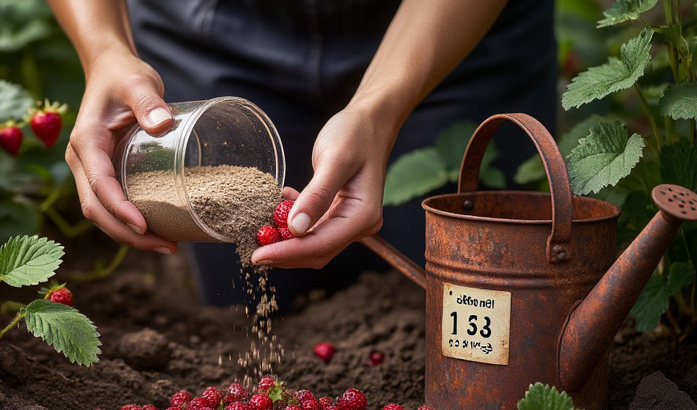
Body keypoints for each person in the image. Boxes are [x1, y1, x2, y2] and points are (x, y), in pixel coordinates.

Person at [48, 0, 557, 307]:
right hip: (209, 29)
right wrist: (104, 50)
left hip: (450, 39)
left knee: (441, 302)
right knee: (239, 298)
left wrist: (380, 108)